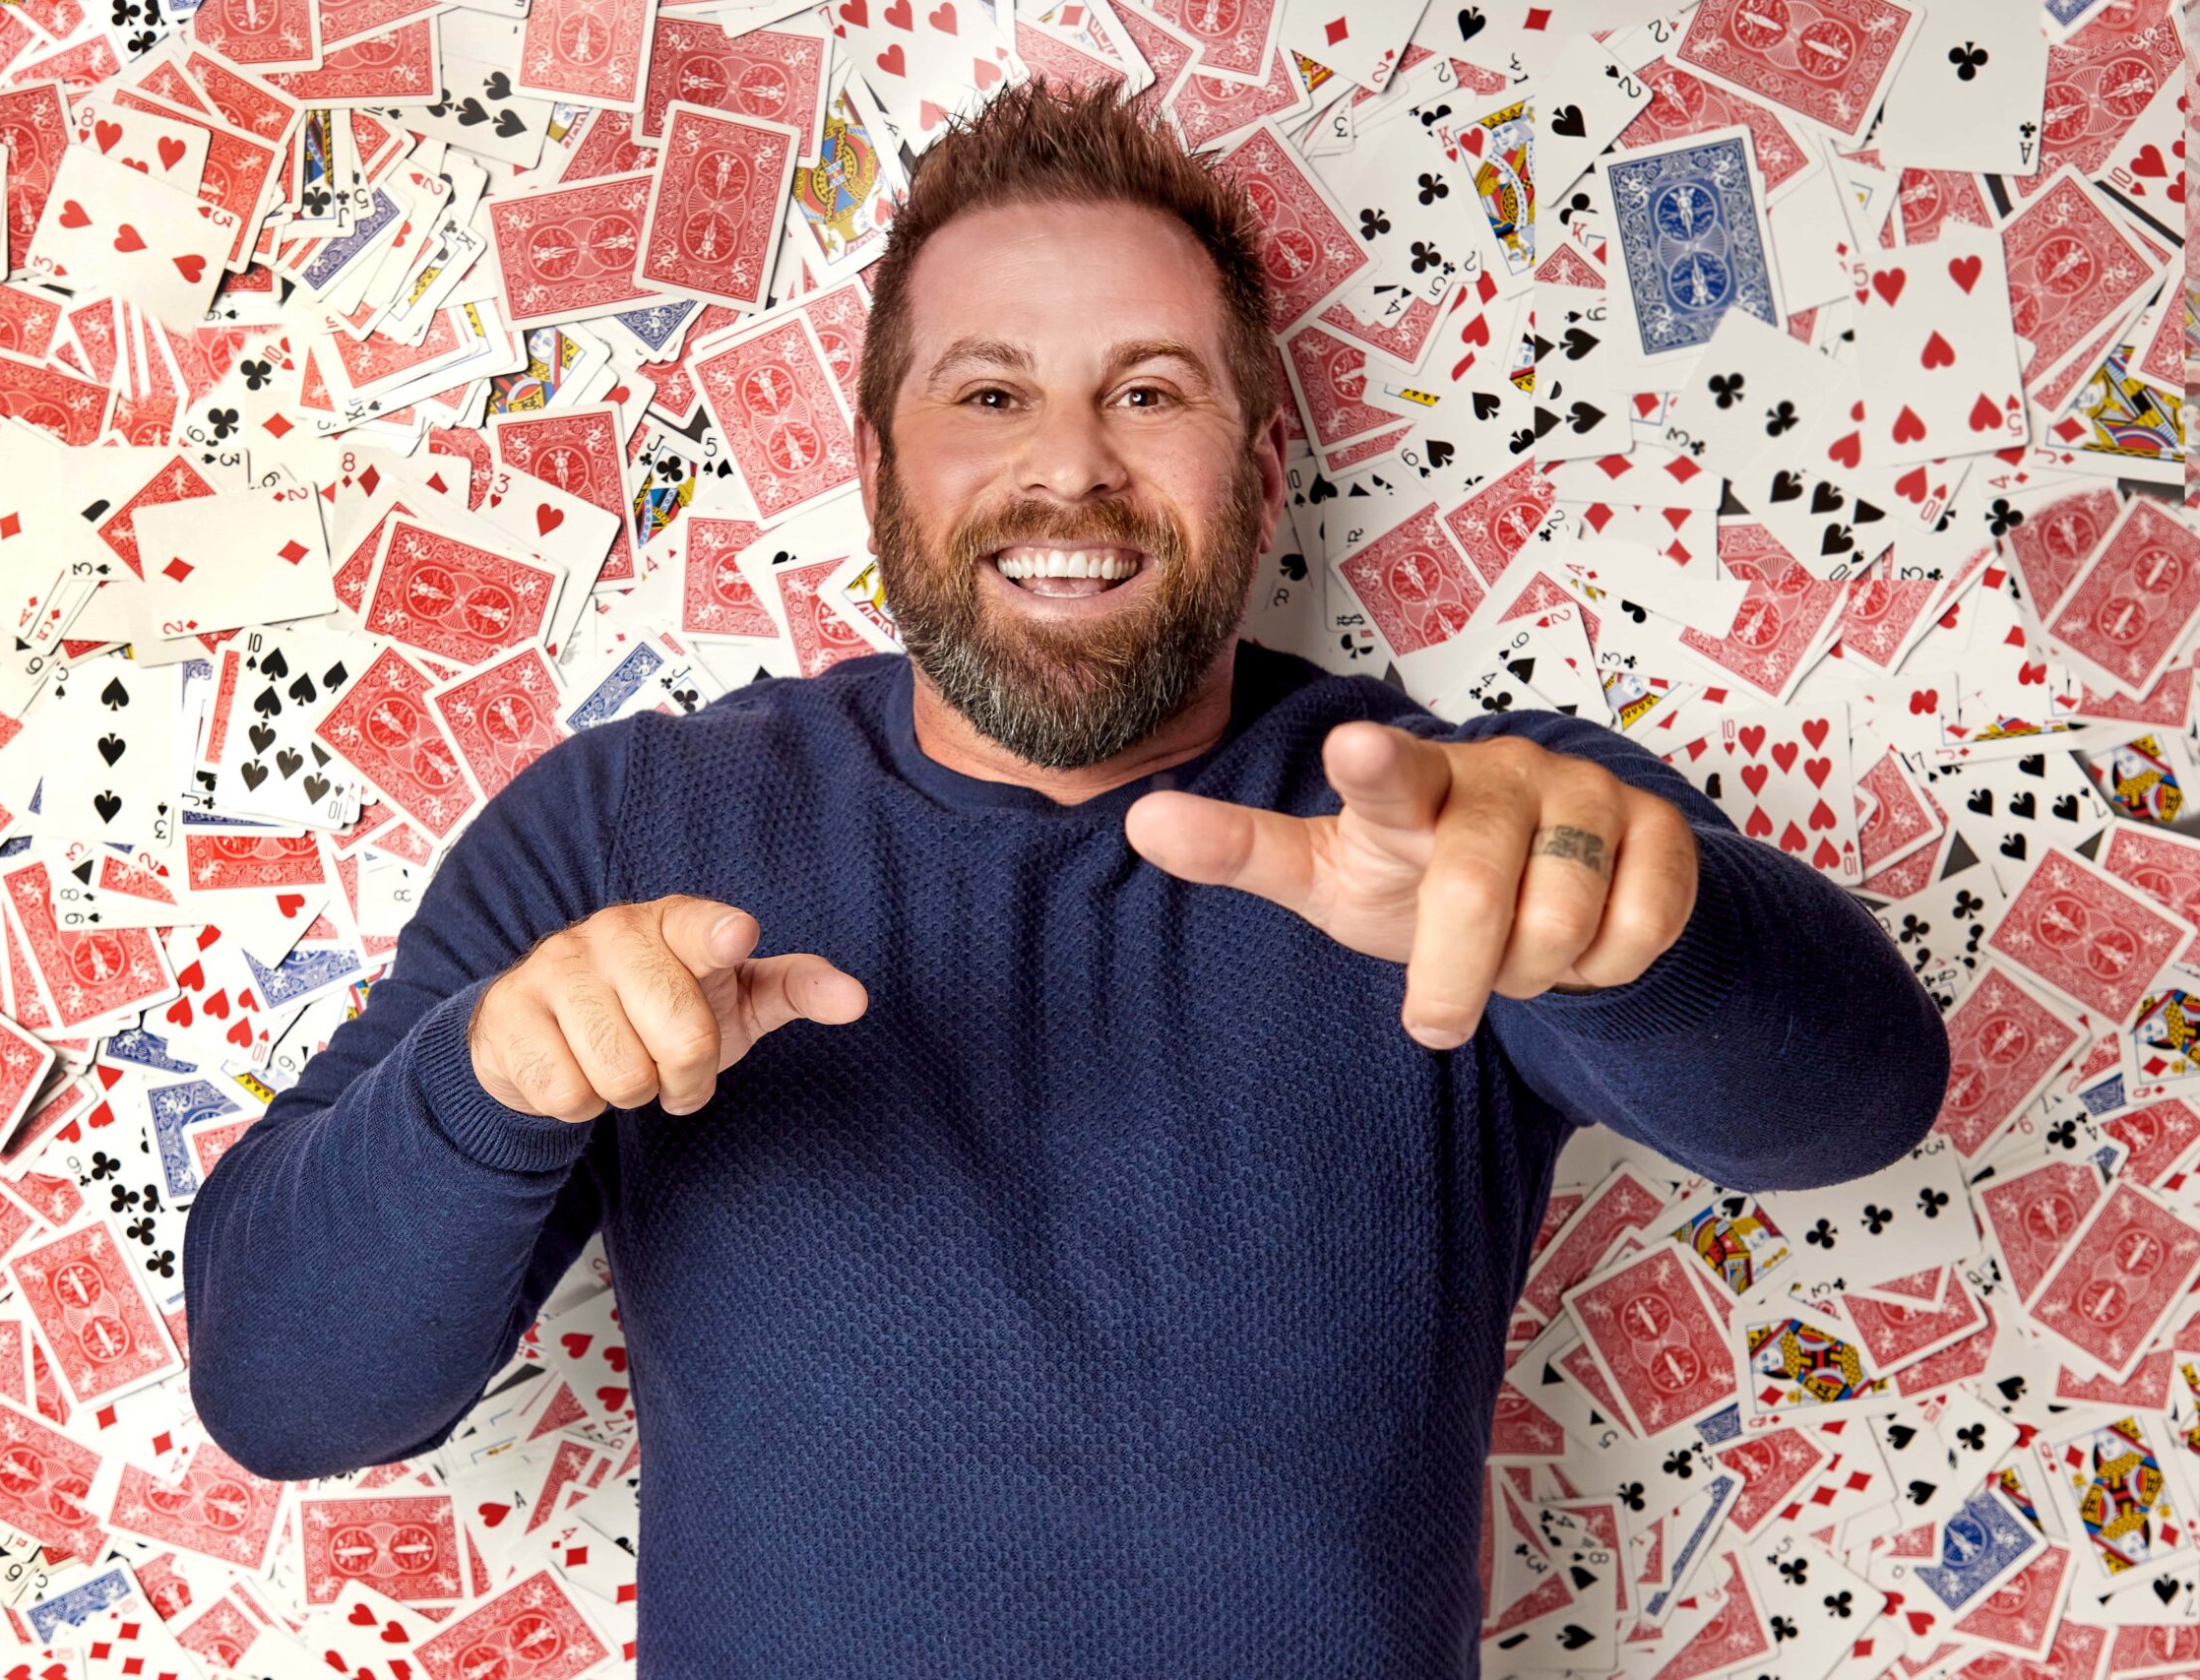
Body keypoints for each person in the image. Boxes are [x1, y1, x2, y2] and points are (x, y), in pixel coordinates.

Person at [186, 79, 1950, 1675]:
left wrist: (1637, 936)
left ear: (1262, 472)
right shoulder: (625, 827)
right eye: (990, 394)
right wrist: (497, 1082)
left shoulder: (1453, 824)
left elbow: (1862, 1100)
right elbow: (281, 1390)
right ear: (875, 469)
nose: (1069, 465)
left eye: (1150, 393)